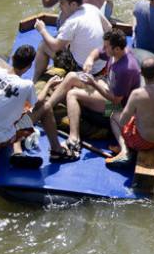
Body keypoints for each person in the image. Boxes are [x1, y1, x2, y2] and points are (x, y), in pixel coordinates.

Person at [0, 38, 75, 163]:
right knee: (46, 108)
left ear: (13, 56)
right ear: (29, 67)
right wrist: (48, 85)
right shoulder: (25, 85)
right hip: (0, 140)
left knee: (17, 107)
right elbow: (38, 105)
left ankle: (18, 152)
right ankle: (57, 151)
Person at [54, 29, 141, 159]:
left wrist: (94, 84)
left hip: (117, 105)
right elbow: (98, 52)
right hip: (107, 86)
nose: (103, 48)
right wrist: (90, 59)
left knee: (73, 94)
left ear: (116, 49)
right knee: (72, 76)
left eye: (106, 47)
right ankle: (47, 106)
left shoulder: (126, 69)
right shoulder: (116, 52)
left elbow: (116, 99)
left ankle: (74, 139)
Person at [107, 58, 154, 167]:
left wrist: (137, 113)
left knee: (114, 116)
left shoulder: (137, 95)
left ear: (141, 73)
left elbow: (123, 121)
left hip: (143, 141)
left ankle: (124, 151)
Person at [32, 0, 111, 82]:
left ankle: (35, 79)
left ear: (73, 4)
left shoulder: (72, 23)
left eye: (62, 3)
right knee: (64, 34)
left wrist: (42, 30)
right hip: (102, 64)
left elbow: (55, 46)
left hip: (83, 69)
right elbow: (108, 27)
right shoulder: (92, 8)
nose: (59, 6)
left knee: (43, 45)